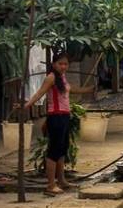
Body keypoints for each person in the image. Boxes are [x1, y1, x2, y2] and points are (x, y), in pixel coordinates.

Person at [24, 52, 94, 196]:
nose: (63, 66)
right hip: (55, 117)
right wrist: (26, 105)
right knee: (54, 151)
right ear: (54, 64)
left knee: (62, 150)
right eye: (60, 63)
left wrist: (88, 89)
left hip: (64, 116)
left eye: (65, 64)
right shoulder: (51, 78)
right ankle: (51, 185)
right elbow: (39, 94)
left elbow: (71, 90)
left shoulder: (62, 77)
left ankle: (61, 180)